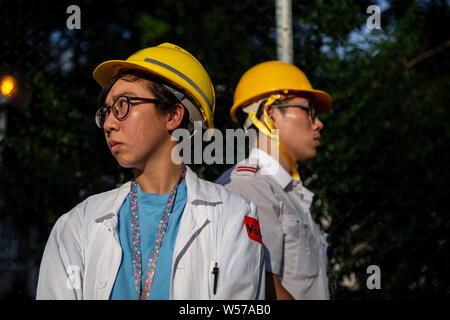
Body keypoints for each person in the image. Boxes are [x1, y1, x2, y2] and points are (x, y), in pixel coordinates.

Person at [36, 43, 264, 300]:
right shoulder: (77, 225)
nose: (109, 124)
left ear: (173, 115)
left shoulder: (233, 215)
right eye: (106, 111)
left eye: (123, 105)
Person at [216, 60, 332, 300]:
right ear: (270, 115)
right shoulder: (246, 186)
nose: (318, 123)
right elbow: (263, 289)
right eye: (309, 110)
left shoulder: (289, 192)